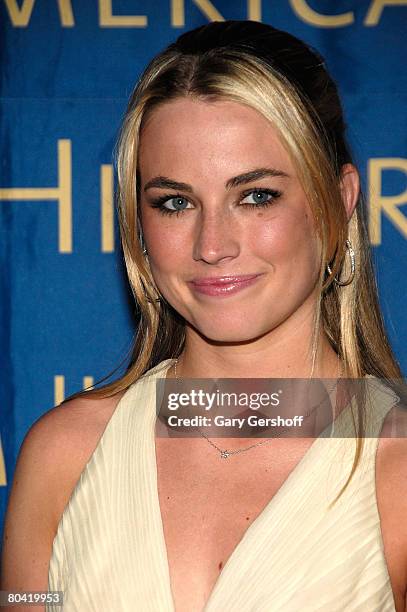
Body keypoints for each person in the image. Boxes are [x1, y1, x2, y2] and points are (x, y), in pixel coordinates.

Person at [1, 20, 406, 612]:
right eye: (175, 202)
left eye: (256, 195)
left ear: (338, 203)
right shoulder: (65, 453)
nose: (211, 244)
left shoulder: (396, 468)